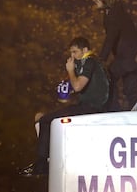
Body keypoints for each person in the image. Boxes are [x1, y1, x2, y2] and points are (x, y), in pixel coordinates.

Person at [19, 37, 109, 177]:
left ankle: (42, 163)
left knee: (45, 121)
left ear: (85, 50)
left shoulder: (89, 61)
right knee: (43, 118)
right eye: (71, 52)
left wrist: (70, 71)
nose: (72, 56)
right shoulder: (91, 63)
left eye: (75, 52)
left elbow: (78, 86)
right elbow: (72, 92)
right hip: (88, 106)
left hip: (90, 107)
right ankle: (49, 155)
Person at [82, 0, 137, 111]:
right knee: (130, 91)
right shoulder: (114, 8)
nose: (94, 1)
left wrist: (101, 59)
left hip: (127, 56)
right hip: (132, 55)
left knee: (108, 76)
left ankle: (113, 108)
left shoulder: (114, 14)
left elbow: (110, 39)